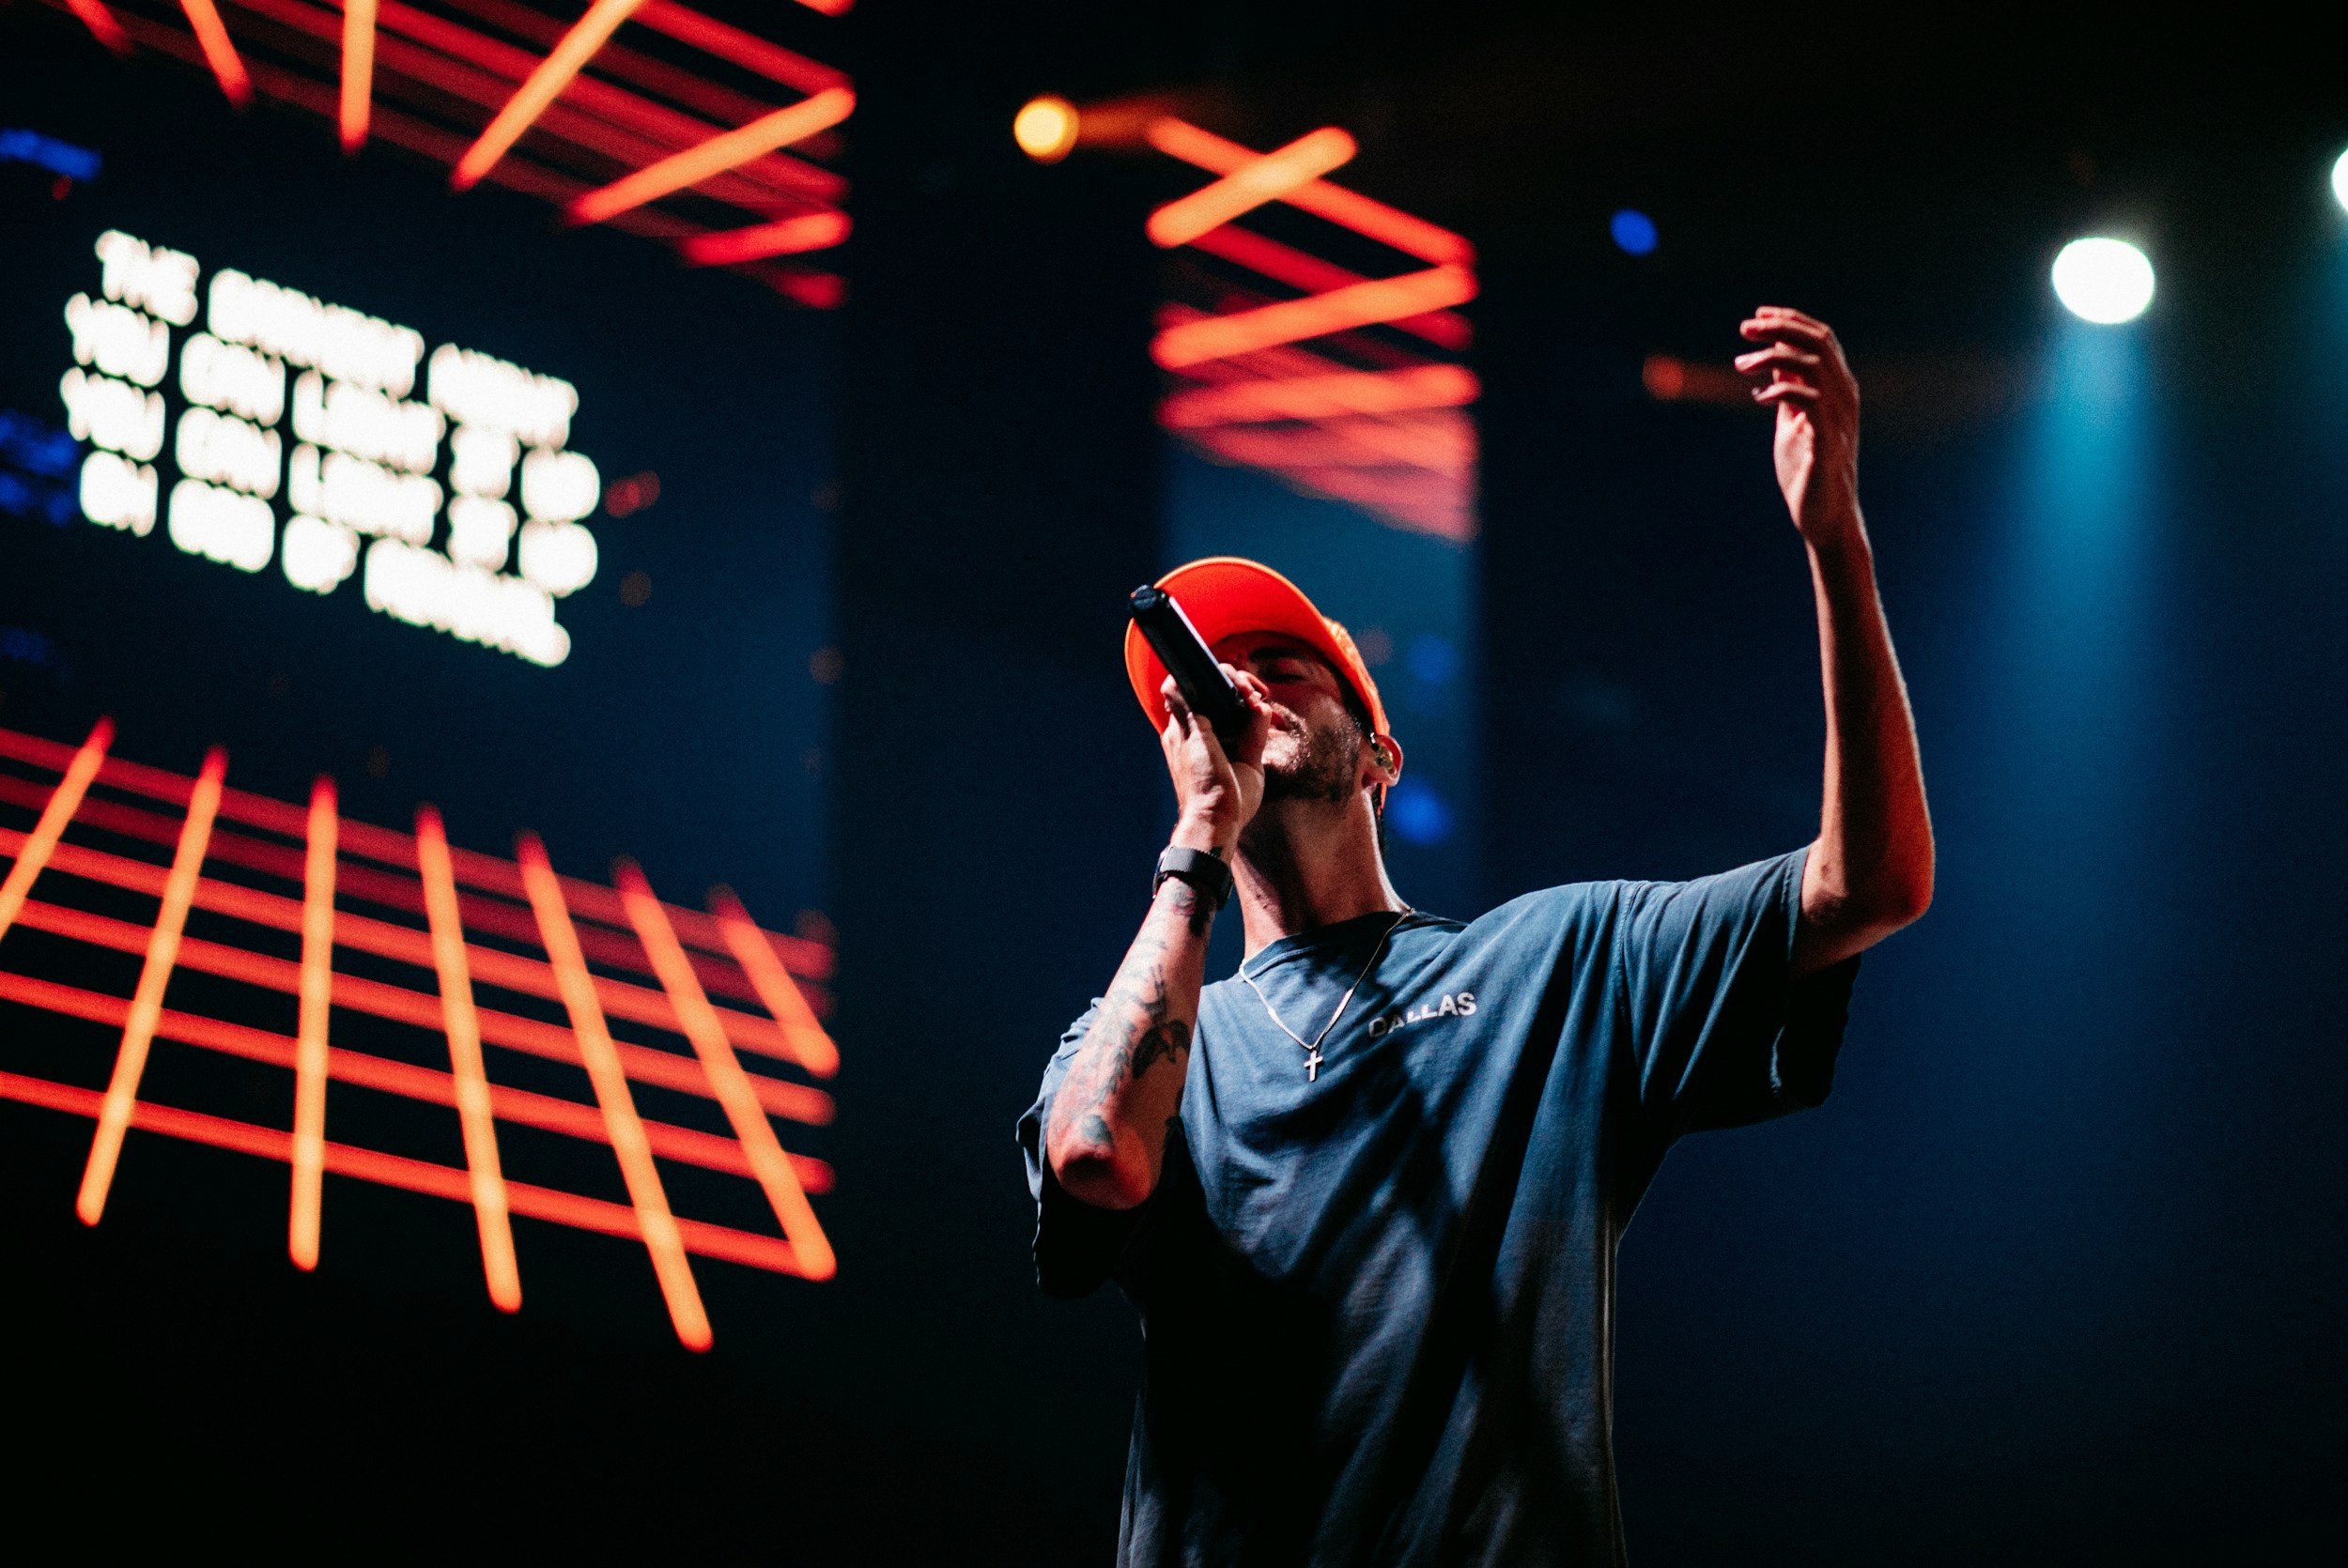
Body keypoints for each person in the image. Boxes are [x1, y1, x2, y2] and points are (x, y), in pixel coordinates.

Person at [1017, 308, 1934, 1565]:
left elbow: (1871, 882)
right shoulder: (1170, 1038)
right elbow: (1092, 1164)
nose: (1246, 689)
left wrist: (1838, 542)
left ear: (1382, 752)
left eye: (1285, 661)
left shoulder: (1556, 964)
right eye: (1210, 685)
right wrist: (1195, 844)